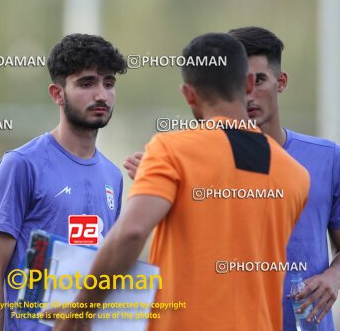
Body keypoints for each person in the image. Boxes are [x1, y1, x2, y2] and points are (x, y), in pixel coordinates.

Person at [50, 32, 310, 330]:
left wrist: (78, 313)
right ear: (248, 85)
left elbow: (132, 232)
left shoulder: (171, 150)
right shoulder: (295, 174)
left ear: (188, 94)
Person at [124, 27, 340, 330]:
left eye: (260, 81)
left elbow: (132, 232)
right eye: (242, 84)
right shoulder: (185, 156)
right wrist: (166, 188)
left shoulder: (325, 159)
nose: (249, 94)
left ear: (281, 82)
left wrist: (334, 277)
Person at [0, 33, 127, 331]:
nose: (101, 95)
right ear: (57, 94)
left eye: (108, 83)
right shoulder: (22, 165)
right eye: (87, 83)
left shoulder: (113, 176)